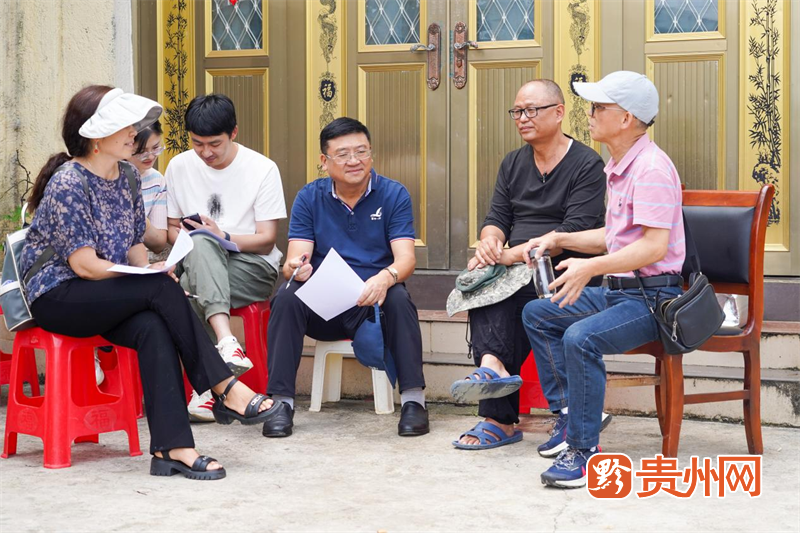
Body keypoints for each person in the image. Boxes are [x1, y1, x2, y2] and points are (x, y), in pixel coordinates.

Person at [20, 85, 280, 480]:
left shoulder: (126, 175)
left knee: (154, 325)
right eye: (124, 126)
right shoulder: (68, 182)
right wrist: (149, 280)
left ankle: (172, 448)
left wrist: (149, 269)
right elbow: (85, 266)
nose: (134, 133)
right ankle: (225, 387)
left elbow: (134, 244)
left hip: (100, 294)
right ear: (95, 135)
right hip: (59, 296)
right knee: (159, 289)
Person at [521, 71, 685, 488]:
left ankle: (584, 451)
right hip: (619, 293)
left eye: (598, 107)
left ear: (626, 118)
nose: (590, 115)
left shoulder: (650, 169)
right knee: (539, 313)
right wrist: (558, 239)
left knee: (581, 338)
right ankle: (568, 416)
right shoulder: (620, 166)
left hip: (651, 300)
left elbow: (653, 248)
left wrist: (590, 267)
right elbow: (615, 236)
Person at [450, 80, 607, 450]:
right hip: (518, 269)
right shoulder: (513, 162)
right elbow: (497, 217)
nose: (522, 118)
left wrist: (510, 255)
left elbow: (575, 230)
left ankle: (498, 415)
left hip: (568, 271)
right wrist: (490, 242)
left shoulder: (587, 163)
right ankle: (493, 371)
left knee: (505, 293)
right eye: (517, 111)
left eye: (531, 110)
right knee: (484, 282)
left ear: (559, 112)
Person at [263, 117, 429, 438]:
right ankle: (281, 402)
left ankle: (414, 401)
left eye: (361, 151)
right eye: (343, 154)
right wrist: (297, 268)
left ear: (371, 153)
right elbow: (294, 259)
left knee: (398, 296)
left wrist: (385, 277)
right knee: (286, 297)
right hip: (325, 309)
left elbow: (406, 259)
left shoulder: (393, 194)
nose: (354, 160)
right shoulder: (309, 197)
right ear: (324, 161)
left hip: (373, 308)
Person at [164, 94, 286, 422]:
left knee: (187, 285)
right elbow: (171, 228)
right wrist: (198, 239)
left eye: (214, 144)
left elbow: (266, 240)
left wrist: (223, 237)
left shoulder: (262, 168)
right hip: (199, 261)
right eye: (197, 143)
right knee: (199, 251)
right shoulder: (178, 166)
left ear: (233, 133)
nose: (206, 152)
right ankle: (227, 344)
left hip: (252, 265)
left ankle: (205, 391)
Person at [129, 120, 168, 255]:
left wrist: (137, 215)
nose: (151, 156)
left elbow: (159, 243)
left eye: (156, 148)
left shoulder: (156, 180)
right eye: (142, 151)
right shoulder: (108, 176)